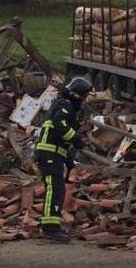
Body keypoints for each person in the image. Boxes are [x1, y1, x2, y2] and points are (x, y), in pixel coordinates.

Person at [34, 76, 93, 243]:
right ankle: (50, 228)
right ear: (76, 95)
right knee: (55, 189)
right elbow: (61, 127)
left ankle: (52, 225)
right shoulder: (64, 106)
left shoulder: (64, 107)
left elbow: (61, 138)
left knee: (57, 189)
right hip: (49, 155)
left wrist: (69, 161)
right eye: (83, 96)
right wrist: (78, 140)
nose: (84, 100)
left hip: (53, 155)